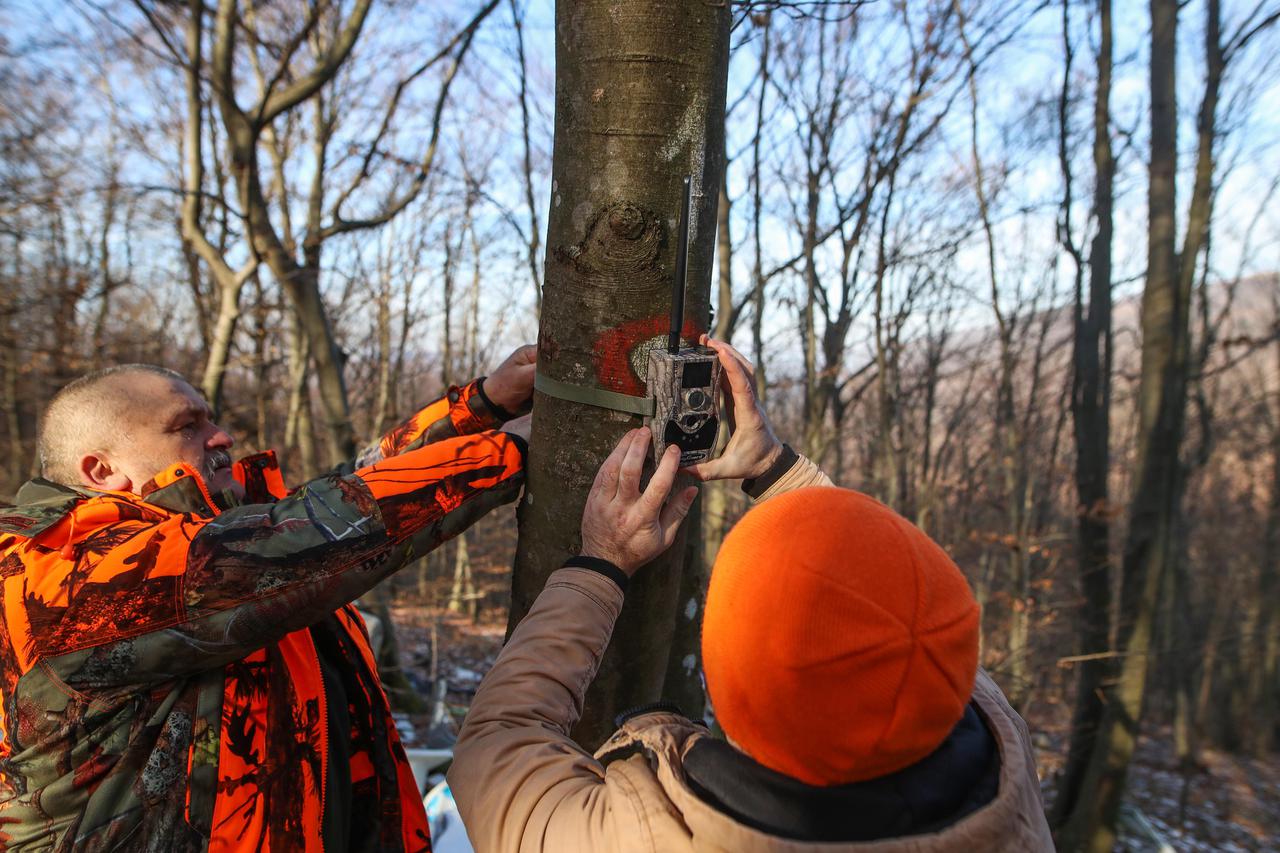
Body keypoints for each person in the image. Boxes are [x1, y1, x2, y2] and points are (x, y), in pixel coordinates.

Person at [448, 336, 1054, 852]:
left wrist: (600, 564)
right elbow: (877, 596)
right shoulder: (1006, 762)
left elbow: (496, 745)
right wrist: (773, 467)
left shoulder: (637, 838)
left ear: (735, 683)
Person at [0, 346, 536, 851]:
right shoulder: (56, 572)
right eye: (187, 425)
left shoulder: (205, 535)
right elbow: (296, 538)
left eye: (210, 419)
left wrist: (480, 407)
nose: (221, 436)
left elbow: (344, 494)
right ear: (100, 470)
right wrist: (511, 452)